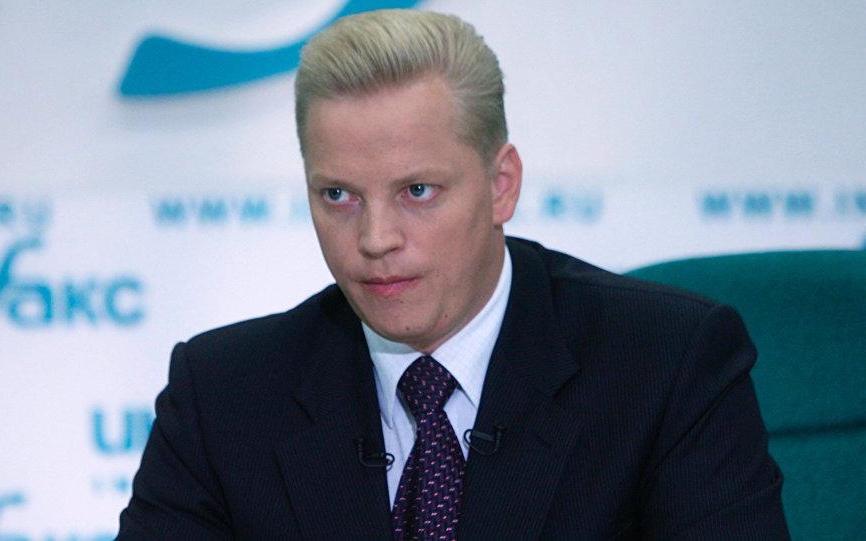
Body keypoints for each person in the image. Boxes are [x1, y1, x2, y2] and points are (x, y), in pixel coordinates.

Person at [117, 9, 788, 540]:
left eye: (417, 191)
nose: (375, 239)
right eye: (338, 195)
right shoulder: (222, 395)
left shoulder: (664, 363)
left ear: (501, 185)